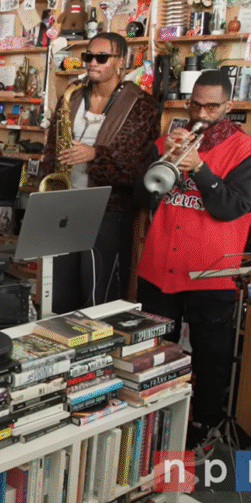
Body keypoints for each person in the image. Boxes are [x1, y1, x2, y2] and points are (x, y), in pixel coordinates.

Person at [135, 69, 251, 457]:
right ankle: (151, 423)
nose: (202, 114)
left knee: (211, 355)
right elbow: (144, 199)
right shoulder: (167, 140)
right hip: (159, 265)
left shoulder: (248, 150)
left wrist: (201, 169)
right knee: (155, 350)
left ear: (228, 106)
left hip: (211, 271)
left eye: (212, 106)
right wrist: (163, 159)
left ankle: (202, 426)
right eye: (195, 104)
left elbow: (231, 207)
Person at [39, 32, 159, 312]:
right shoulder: (71, 96)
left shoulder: (141, 105)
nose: (92, 63)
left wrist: (95, 155)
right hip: (65, 205)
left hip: (109, 211)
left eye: (101, 57)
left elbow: (136, 167)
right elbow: (52, 149)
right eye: (88, 56)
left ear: (121, 62)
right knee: (59, 292)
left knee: (98, 293)